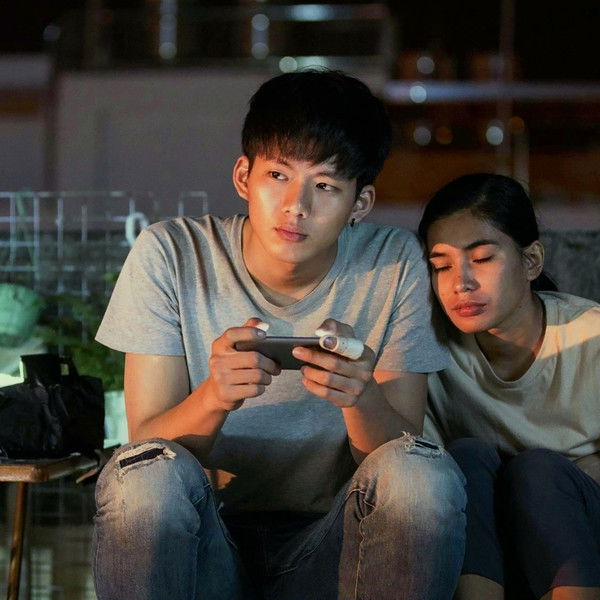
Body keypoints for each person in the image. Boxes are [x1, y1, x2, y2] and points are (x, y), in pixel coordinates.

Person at [92, 69, 466, 600]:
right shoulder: (171, 254)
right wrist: (215, 396)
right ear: (243, 175)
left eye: (325, 186)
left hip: (334, 546)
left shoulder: (394, 262)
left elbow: (399, 459)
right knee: (143, 477)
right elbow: (147, 449)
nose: (296, 205)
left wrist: (360, 396)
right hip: (208, 543)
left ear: (360, 203)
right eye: (277, 175)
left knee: (421, 473)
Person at [418, 173, 600, 600]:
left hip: (580, 534)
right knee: (463, 458)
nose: (460, 283)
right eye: (441, 266)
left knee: (536, 471)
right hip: (487, 542)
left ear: (531, 261)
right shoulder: (426, 349)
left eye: (481, 259)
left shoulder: (590, 337)